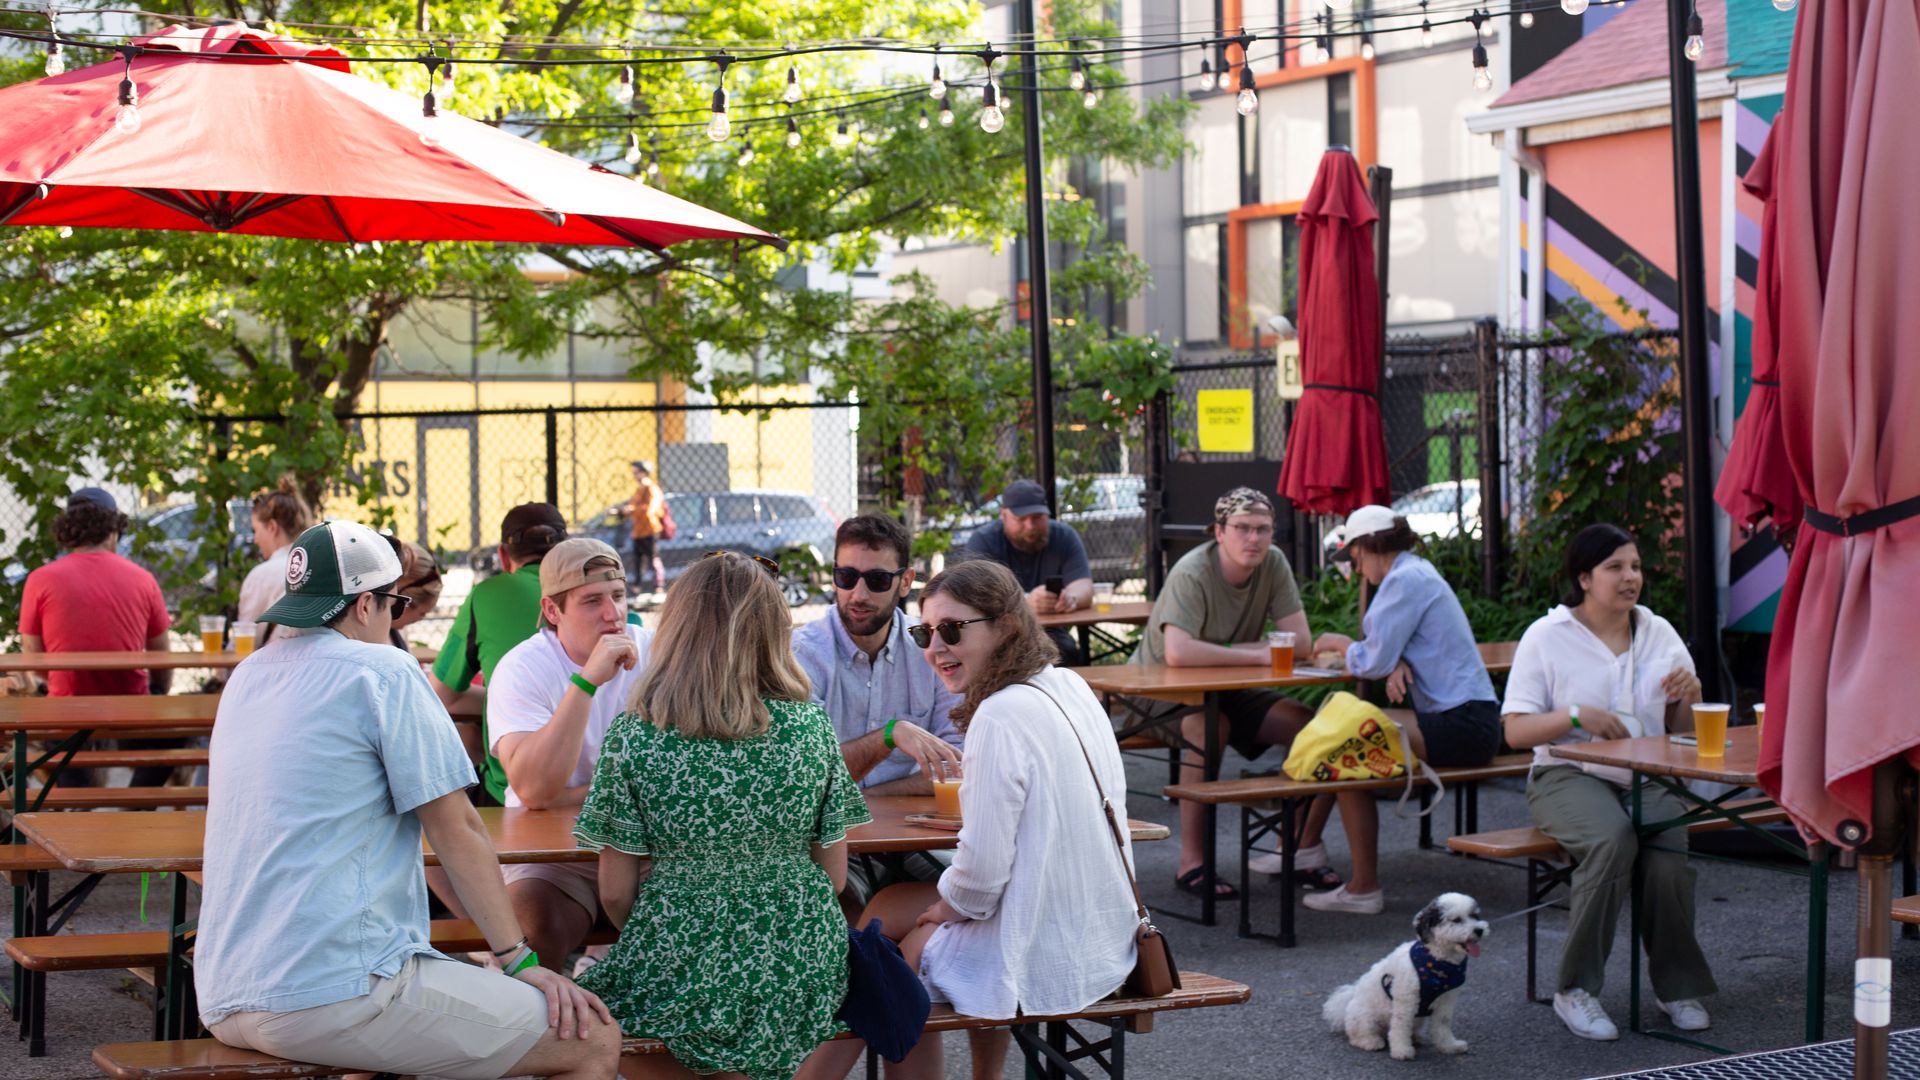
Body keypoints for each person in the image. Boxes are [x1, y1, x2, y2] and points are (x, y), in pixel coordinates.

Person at [194, 519, 620, 1080]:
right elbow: (457, 829)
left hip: (226, 991)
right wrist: (518, 961)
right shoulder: (383, 670)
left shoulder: (249, 676)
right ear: (368, 604)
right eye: (395, 605)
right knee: (590, 1037)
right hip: (336, 990)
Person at [798, 561, 1139, 1080]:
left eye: (952, 630)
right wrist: (944, 906)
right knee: (888, 912)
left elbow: (980, 883)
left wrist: (941, 911)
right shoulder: (1069, 685)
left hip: (1042, 946)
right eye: (925, 632)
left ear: (1005, 625)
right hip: (1103, 930)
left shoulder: (999, 714)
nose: (935, 648)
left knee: (888, 955)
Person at [574, 551, 867, 1080]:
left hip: (677, 946)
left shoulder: (634, 736)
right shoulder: (811, 730)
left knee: (592, 1017)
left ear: (677, 629)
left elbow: (615, 892)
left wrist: (671, 931)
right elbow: (835, 876)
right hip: (799, 953)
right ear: (772, 631)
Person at [1501, 523, 1712, 1041]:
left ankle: (1676, 985)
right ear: (1585, 577)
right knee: (1612, 839)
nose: (1630, 577)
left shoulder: (1658, 630)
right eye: (1615, 567)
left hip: (1648, 773)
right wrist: (1574, 716)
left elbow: (1683, 734)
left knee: (1667, 851)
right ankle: (1575, 990)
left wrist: (1691, 693)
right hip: (1566, 773)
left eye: (1635, 566)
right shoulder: (1546, 636)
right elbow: (1514, 732)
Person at [1132, 486, 1333, 898]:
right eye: (1242, 528)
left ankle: (1293, 848)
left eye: (1263, 529)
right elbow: (1178, 653)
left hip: (1227, 685)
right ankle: (1193, 863)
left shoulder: (1273, 563)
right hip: (1154, 687)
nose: (1253, 538)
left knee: (1310, 727)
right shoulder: (1192, 571)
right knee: (1211, 728)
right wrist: (1255, 655)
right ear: (1219, 532)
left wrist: (1243, 656)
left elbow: (1302, 642)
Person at [1304, 506, 1501, 915]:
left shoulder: (1402, 581)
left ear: (1367, 546)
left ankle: (1359, 886)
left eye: (1354, 555)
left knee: (1345, 742)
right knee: (1344, 737)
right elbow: (1388, 651)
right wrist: (1395, 660)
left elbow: (1370, 659)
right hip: (1472, 718)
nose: (1355, 567)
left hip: (1464, 724)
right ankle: (1305, 850)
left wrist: (1341, 643)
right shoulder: (1415, 573)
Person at [487, 538, 654, 975]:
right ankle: (538, 1034)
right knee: (529, 928)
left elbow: (688, 776)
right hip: (554, 864)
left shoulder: (657, 652)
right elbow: (536, 790)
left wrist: (576, 794)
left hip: (648, 853)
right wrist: (586, 683)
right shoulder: (521, 667)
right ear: (553, 610)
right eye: (592, 601)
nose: (613, 614)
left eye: (618, 596)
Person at [793, 515, 964, 910]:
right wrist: (891, 735)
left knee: (970, 896)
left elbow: (959, 765)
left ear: (905, 582)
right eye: (846, 576)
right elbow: (810, 776)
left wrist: (858, 791)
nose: (858, 593)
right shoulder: (802, 655)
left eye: (877, 580)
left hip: (917, 833)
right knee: (839, 902)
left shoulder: (931, 648)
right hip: (835, 843)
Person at [20, 488, 173, 786]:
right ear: (114, 531)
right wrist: (157, 691)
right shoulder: (143, 579)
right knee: (181, 738)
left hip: (66, 713)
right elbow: (162, 660)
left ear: (69, 530)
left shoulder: (40, 579)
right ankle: (136, 806)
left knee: (47, 741)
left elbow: (33, 661)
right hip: (130, 712)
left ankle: (78, 806)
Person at [431, 502, 568, 806]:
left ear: (504, 557)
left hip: (511, 789)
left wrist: (503, 697)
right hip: (599, 788)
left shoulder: (488, 594)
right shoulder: (621, 616)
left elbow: (445, 696)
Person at [963, 478, 1093, 665]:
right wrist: (1024, 603)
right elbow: (975, 598)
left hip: (1050, 633)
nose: (1030, 526)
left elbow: (1084, 586)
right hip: (998, 634)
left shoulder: (1065, 536)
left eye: (1037, 518)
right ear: (1004, 515)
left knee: (1067, 653)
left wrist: (1070, 599)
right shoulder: (983, 541)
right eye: (1021, 519)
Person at [237, 478, 313, 630]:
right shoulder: (321, 565)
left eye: (256, 530)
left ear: (272, 527)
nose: (256, 539)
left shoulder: (262, 576)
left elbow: (247, 638)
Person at [386, 539, 443, 650]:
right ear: (403, 602)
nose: (421, 619)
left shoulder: (396, 633)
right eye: (422, 613)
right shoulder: (375, 638)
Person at [623, 460, 667, 598]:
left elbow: (650, 510)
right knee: (638, 560)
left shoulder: (651, 488)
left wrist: (632, 510)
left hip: (650, 529)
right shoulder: (640, 489)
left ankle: (659, 586)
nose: (634, 476)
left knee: (653, 558)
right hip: (638, 531)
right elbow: (633, 508)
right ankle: (637, 586)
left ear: (645, 472)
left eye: (637, 472)